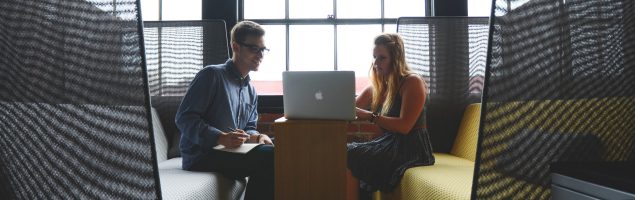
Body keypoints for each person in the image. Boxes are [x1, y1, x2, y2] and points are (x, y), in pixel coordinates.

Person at [175, 21, 274, 200]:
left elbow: (249, 126)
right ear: (235, 46)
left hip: (231, 152)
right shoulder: (211, 75)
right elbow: (184, 118)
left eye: (263, 49)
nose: (260, 55)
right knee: (270, 158)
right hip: (202, 154)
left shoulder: (251, 90)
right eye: (254, 48)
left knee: (278, 153)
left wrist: (257, 137)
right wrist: (220, 137)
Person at [347, 33, 435, 199]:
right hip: (389, 143)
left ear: (396, 60)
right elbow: (349, 110)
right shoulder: (378, 87)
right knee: (345, 151)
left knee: (350, 154)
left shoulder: (412, 82)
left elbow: (404, 126)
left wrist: (370, 116)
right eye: (374, 57)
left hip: (412, 148)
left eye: (382, 58)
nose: (376, 63)